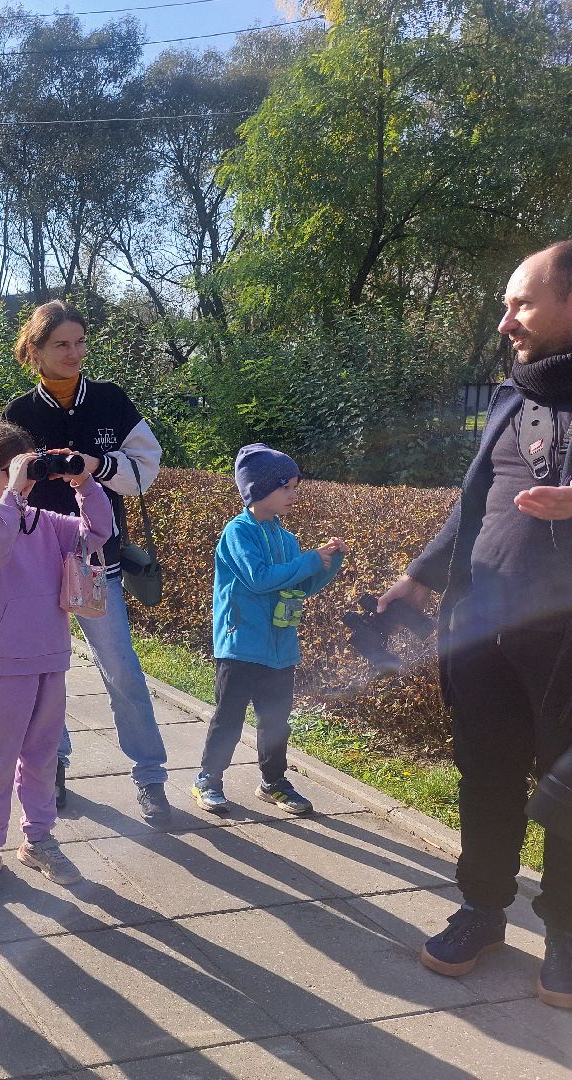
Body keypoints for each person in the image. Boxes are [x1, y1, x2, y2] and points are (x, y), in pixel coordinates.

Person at [379, 242, 572, 1009]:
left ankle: (566, 935)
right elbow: (472, 505)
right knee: (484, 774)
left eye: (522, 302)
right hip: (482, 629)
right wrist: (420, 580)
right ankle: (483, 911)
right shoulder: (507, 397)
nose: (506, 321)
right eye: (505, 304)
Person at [1, 300, 172, 824]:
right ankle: (51, 766)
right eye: (61, 344)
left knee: (121, 668)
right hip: (37, 562)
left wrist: (95, 467)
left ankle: (150, 777)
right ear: (35, 351)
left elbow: (147, 468)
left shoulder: (110, 401)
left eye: (79, 342)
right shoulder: (18, 414)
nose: (74, 353)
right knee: (44, 672)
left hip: (97, 559)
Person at [0, 422, 114, 894]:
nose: (27, 477)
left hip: (50, 656)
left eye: (31, 465)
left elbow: (99, 531)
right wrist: (12, 498)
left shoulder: (49, 524)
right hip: (1, 659)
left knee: (43, 758)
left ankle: (39, 839)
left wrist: (85, 480)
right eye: (15, 468)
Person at [192, 444, 345, 816]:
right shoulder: (238, 534)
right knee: (228, 717)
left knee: (276, 720)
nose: (294, 495)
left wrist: (326, 565)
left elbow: (298, 587)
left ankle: (273, 781)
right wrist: (309, 561)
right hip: (240, 644)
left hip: (280, 646)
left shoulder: (287, 539)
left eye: (295, 486)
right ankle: (208, 780)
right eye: (286, 487)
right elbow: (259, 580)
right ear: (259, 490)